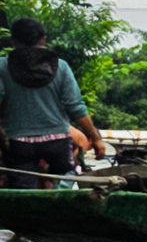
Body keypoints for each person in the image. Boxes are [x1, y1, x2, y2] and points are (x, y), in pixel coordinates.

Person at [0, 18, 105, 187]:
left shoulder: (2, 67)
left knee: (23, 192)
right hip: (57, 143)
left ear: (13, 41)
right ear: (43, 40)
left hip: (19, 144)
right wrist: (96, 138)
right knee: (63, 180)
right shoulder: (61, 67)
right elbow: (76, 107)